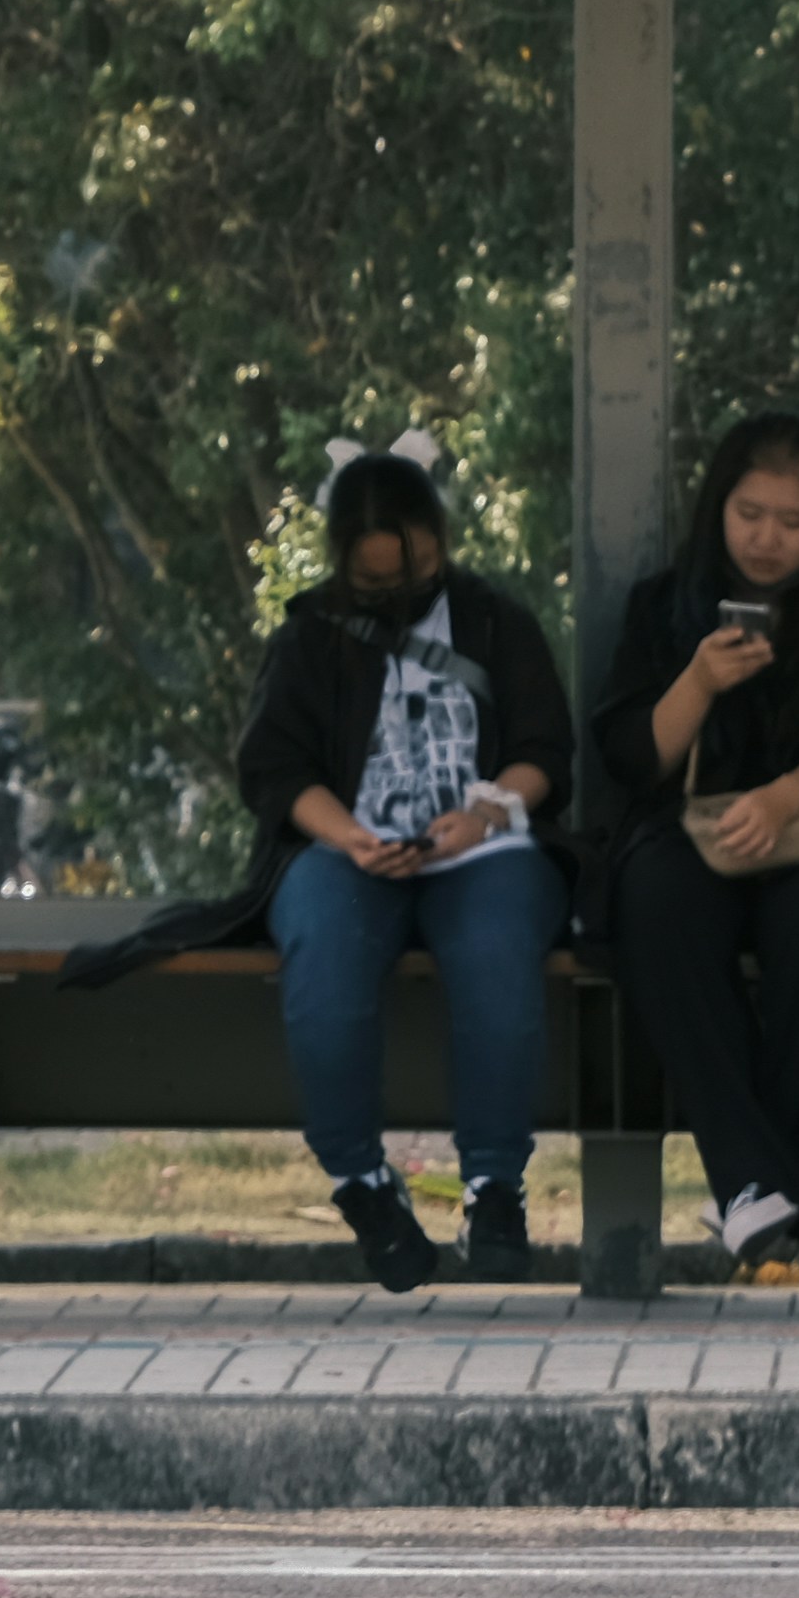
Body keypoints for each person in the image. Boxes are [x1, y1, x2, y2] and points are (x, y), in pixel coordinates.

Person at [233, 449, 574, 1292]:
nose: (398, 590)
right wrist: (348, 836)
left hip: (480, 844)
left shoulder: (497, 623)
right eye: (374, 580)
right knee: (323, 954)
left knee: (498, 948)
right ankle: (363, 1184)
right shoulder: (310, 636)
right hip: (346, 850)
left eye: (415, 569)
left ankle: (494, 1186)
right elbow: (274, 770)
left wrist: (487, 812)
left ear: (441, 539)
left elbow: (546, 754)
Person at [586, 407, 799, 1282]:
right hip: (689, 832)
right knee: (654, 900)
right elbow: (627, 753)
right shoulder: (665, 606)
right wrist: (697, 679)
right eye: (750, 515)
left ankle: (797, 1208)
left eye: (793, 522)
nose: (768, 540)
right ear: (718, 509)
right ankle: (755, 1184)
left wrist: (785, 794)